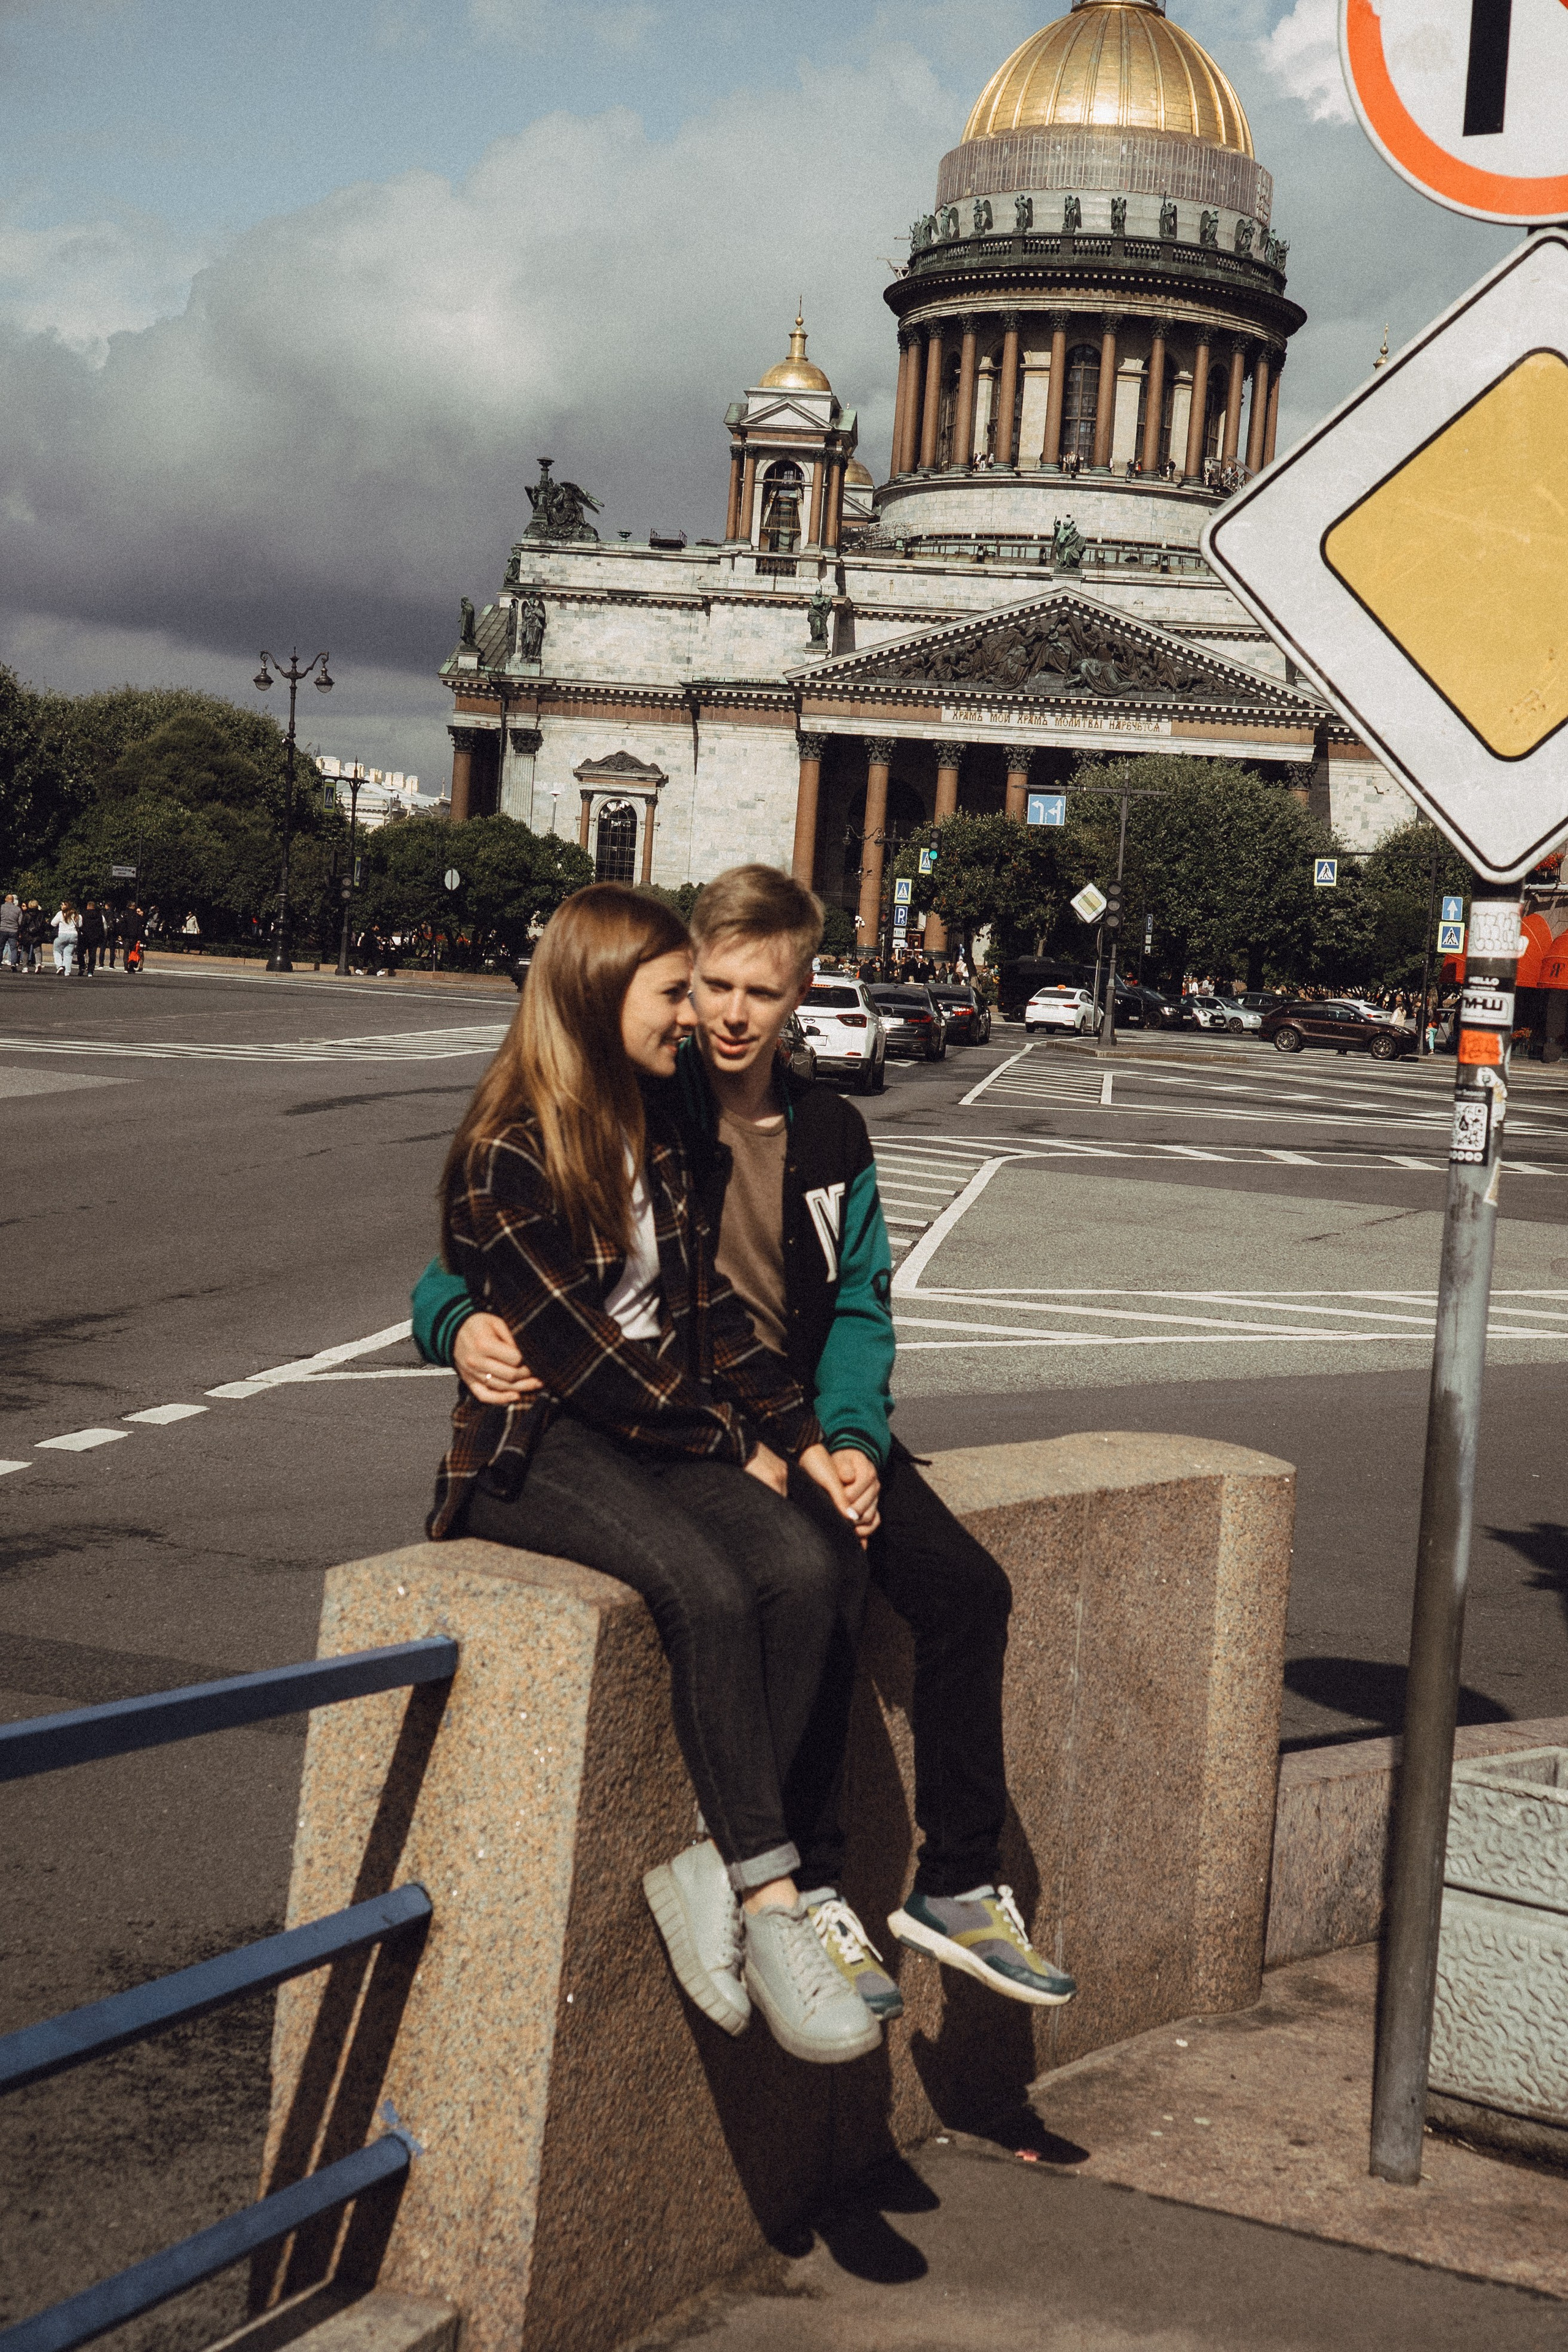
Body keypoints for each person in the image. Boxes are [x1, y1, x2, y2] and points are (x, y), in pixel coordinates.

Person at [414, 864, 1077, 2020]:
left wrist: (845, 1437)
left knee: (964, 1590)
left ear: (799, 994)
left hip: (785, 1410)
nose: (718, 1015)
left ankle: (959, 1884)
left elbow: (855, 1304)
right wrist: (455, 1324)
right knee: (806, 1577)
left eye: (751, 992)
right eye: (700, 985)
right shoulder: (636, 1105)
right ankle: (808, 1883)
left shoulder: (826, 1129)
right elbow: (485, 1270)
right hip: (682, 1424)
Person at [429, 881, 882, 2067]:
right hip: (543, 1452)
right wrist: (739, 1443)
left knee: (800, 1566)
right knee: (709, 1591)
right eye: (678, 991)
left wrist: (810, 1439)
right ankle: (773, 1908)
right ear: (597, 990)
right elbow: (589, 1362)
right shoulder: (508, 1149)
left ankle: (712, 1860)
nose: (695, 1016)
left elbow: (715, 1316)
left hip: (653, 1436)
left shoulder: (648, 1127)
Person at [77, 899, 105, 978]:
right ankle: (90, 971)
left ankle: (82, 966)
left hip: (84, 936)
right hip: (95, 937)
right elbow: (103, 927)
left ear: (87, 907)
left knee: (80, 952)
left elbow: (79, 925)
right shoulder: (100, 915)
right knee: (92, 954)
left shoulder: (82, 914)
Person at [51, 902, 78, 976]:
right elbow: (80, 924)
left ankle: (60, 966)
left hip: (63, 934)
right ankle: (67, 971)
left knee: (57, 951)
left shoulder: (60, 914)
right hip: (74, 935)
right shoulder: (75, 914)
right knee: (68, 954)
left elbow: (53, 923)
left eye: (62, 905)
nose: (61, 906)